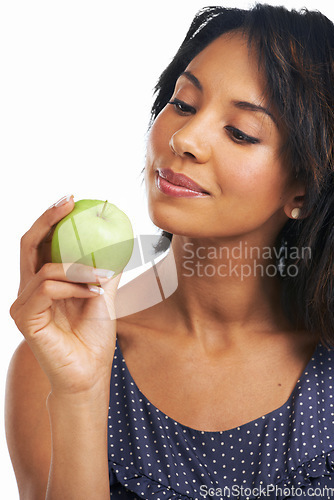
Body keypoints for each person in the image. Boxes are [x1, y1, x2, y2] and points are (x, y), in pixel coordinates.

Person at [5, 3, 334, 499]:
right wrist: (81, 392)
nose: (184, 139)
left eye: (241, 132)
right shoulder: (53, 365)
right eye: (183, 104)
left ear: (303, 191)